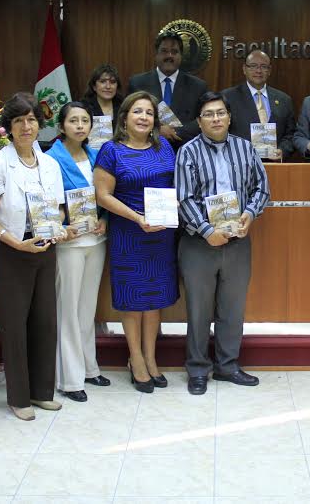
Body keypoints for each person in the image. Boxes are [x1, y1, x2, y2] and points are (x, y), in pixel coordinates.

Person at [0, 92, 66, 421]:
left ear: (39, 125)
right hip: (12, 251)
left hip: (45, 248)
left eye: (31, 120)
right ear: (9, 128)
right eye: (18, 121)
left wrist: (61, 229)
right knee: (15, 325)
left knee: (44, 321)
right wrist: (15, 242)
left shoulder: (51, 164)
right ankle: (19, 397)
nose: (26, 126)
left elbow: (55, 210)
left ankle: (42, 392)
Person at [175, 91, 271, 395]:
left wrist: (249, 214)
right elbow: (183, 198)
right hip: (199, 243)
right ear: (199, 121)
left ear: (229, 117)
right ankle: (198, 369)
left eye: (220, 113)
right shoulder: (187, 152)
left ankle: (228, 366)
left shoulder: (246, 148)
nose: (216, 118)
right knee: (199, 310)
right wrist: (206, 230)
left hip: (238, 241)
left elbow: (262, 188)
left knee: (233, 309)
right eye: (208, 114)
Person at [93, 91, 179, 393]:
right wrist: (137, 217)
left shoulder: (165, 146)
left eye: (149, 113)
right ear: (125, 117)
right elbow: (102, 195)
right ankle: (136, 358)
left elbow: (173, 186)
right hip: (129, 233)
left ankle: (151, 358)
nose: (144, 117)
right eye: (137, 112)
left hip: (161, 234)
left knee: (154, 299)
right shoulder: (111, 150)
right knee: (132, 300)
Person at [46, 101, 111, 403]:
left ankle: (88, 368)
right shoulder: (50, 159)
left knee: (87, 309)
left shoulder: (97, 155)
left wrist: (104, 220)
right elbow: (46, 206)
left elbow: (108, 198)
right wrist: (63, 227)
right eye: (73, 121)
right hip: (69, 243)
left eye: (85, 120)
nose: (80, 126)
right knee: (68, 310)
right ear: (61, 127)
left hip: (95, 242)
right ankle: (69, 379)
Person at [128, 31, 208, 148]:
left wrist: (174, 133)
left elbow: (203, 118)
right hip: (147, 149)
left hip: (185, 151)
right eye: (164, 51)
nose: (169, 56)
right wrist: (156, 130)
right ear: (156, 54)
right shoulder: (137, 83)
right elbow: (129, 118)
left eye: (174, 52)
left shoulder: (198, 86)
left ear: (181, 56)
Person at [221, 49, 295, 160]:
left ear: (269, 70)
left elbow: (291, 134)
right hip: (240, 164)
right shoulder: (228, 97)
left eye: (264, 66)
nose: (258, 70)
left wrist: (282, 150)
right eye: (253, 66)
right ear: (244, 69)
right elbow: (220, 131)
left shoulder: (284, 99)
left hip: (274, 166)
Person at [82, 63, 125, 130]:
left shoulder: (124, 105)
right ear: (94, 87)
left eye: (112, 82)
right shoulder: (84, 107)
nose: (108, 86)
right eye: (102, 82)